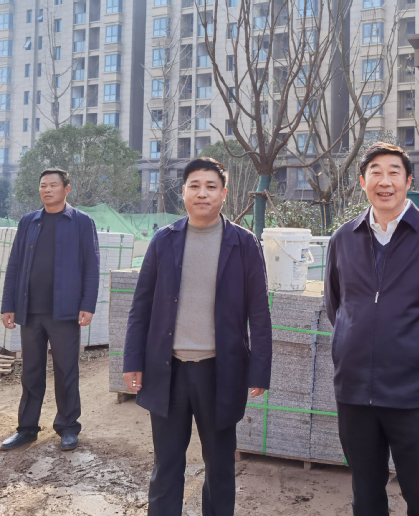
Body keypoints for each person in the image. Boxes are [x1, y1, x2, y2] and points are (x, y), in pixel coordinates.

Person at [324, 142, 419, 516]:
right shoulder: (343, 239)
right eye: (375, 172)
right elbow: (336, 306)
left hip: (413, 392)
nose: (384, 181)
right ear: (363, 182)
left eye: (393, 172)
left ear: (408, 181)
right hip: (355, 391)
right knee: (365, 493)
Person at [122, 157, 272, 516]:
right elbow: (140, 306)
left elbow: (259, 313)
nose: (202, 193)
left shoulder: (244, 243)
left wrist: (259, 370)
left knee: (219, 466)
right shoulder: (164, 241)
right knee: (166, 465)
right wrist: (132, 361)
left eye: (210, 186)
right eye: (195, 186)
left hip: (220, 372)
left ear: (224, 193)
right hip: (167, 370)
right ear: (184, 192)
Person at [0, 168, 100, 452]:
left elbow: (91, 266)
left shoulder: (81, 222)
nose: (47, 189)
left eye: (53, 185)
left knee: (66, 370)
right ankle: (26, 429)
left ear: (66, 189)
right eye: (43, 185)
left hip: (64, 312)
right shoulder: (29, 222)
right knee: (31, 372)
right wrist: (8, 305)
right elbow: (14, 264)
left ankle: (67, 427)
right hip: (30, 310)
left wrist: (87, 305)